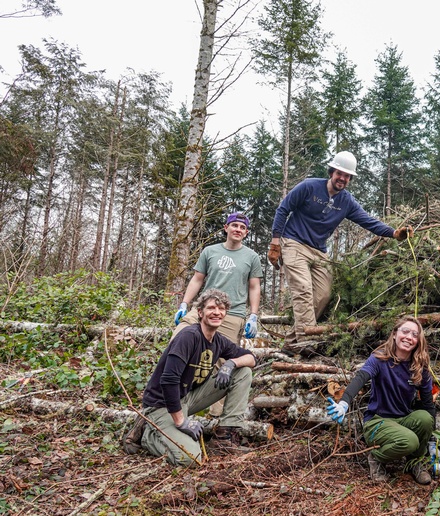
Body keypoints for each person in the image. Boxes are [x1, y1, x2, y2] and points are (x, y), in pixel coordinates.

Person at [268, 151, 412, 353]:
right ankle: (306, 342)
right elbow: (283, 209)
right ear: (332, 171)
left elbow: (368, 221)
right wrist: (275, 244)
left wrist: (394, 233)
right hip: (293, 242)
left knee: (324, 295)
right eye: (339, 173)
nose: (342, 179)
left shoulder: (346, 202)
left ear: (350, 178)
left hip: (318, 250)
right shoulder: (309, 186)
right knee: (303, 289)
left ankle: (291, 343)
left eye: (347, 176)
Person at [122, 289, 256, 466]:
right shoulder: (188, 337)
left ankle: (226, 436)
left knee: (242, 371)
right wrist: (181, 422)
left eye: (221, 308)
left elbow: (251, 358)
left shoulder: (218, 340)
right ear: (200, 312)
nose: (217, 312)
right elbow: (168, 380)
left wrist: (230, 364)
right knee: (190, 458)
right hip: (162, 405)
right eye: (211, 308)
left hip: (188, 398)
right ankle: (147, 434)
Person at [326, 316, 435, 484]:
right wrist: (344, 403)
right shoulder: (379, 358)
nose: (409, 337)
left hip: (402, 420)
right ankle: (376, 458)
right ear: (394, 334)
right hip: (377, 423)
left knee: (426, 419)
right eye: (405, 331)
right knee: (410, 441)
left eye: (414, 334)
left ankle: (414, 462)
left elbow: (428, 405)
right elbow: (361, 378)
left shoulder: (420, 367)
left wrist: (432, 442)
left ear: (418, 341)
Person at [174, 212, 263, 344]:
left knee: (219, 357)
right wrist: (184, 304)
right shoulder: (209, 251)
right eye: (234, 225)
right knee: (178, 340)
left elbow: (254, 287)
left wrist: (253, 316)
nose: (238, 229)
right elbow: (197, 279)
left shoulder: (252, 257)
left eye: (242, 227)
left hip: (233, 314)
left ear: (246, 232)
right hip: (204, 308)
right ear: (226, 228)